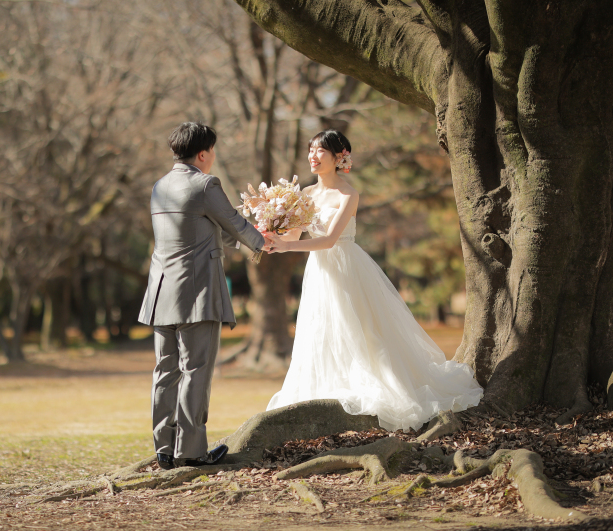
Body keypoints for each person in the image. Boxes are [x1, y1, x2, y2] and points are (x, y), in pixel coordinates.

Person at [264, 129, 483, 431]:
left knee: (359, 330)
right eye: (311, 150)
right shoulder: (305, 195)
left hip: (346, 267)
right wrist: (272, 233)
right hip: (319, 272)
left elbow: (329, 240)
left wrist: (287, 244)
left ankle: (379, 389)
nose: (313, 156)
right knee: (321, 329)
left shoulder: (348, 194)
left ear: (340, 157)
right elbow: (292, 236)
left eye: (320, 151)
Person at [138, 122, 272, 469]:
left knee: (166, 371)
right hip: (195, 292)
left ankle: (164, 449)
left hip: (160, 292)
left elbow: (205, 227)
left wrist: (248, 237)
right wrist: (266, 240)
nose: (213, 157)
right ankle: (192, 451)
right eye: (212, 151)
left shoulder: (160, 186)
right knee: (195, 370)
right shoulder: (204, 183)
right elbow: (232, 222)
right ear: (203, 153)